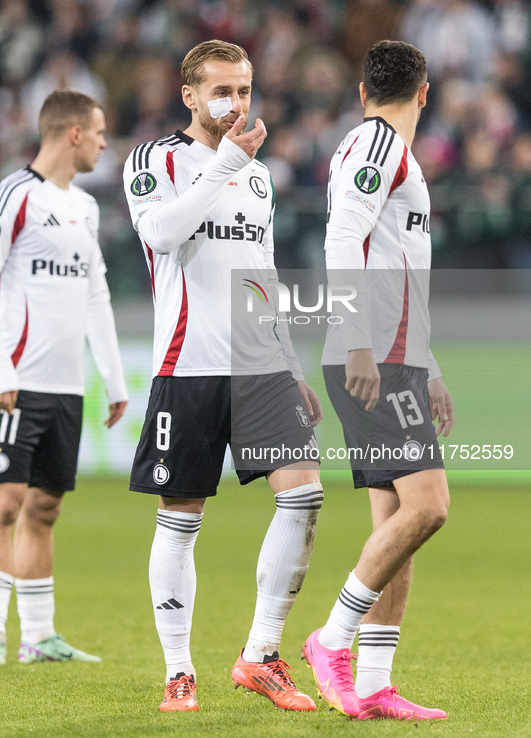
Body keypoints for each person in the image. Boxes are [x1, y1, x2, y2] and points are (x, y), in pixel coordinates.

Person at [122, 40, 324, 713]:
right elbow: (161, 235)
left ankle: (261, 655)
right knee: (181, 517)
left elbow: (259, 278)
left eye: (243, 90)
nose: (235, 103)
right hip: (189, 365)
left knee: (303, 496)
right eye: (220, 90)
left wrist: (291, 363)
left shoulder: (258, 177)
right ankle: (178, 670)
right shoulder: (156, 160)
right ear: (188, 95)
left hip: (260, 364)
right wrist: (225, 165)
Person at [301, 40, 454, 721]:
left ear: (363, 90)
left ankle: (373, 682)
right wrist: (361, 345)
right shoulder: (377, 145)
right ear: (424, 93)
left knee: (398, 521)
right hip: (371, 358)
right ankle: (329, 640)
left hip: (397, 358)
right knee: (429, 507)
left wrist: (431, 368)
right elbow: (341, 239)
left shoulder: (385, 151)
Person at [0, 89, 128, 666]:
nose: (106, 143)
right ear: (73, 133)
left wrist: (113, 376)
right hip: (15, 383)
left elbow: (97, 293)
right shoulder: (11, 196)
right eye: (100, 133)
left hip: (65, 387)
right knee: (3, 505)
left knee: (45, 509)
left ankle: (38, 636)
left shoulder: (85, 207)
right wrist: (1, 364)